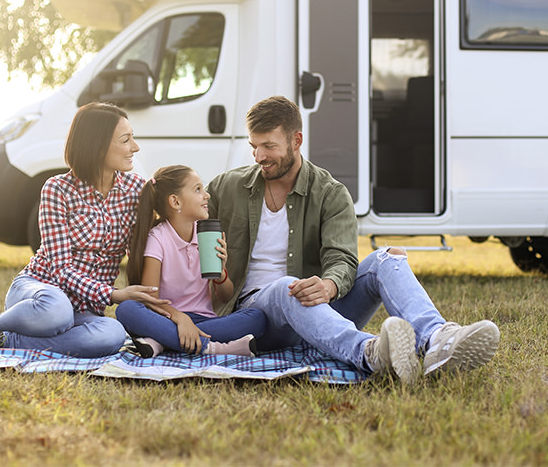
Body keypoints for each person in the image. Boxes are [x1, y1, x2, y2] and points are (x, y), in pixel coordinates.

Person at [206, 96, 500, 384]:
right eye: (254, 147)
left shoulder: (330, 193)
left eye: (269, 146)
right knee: (287, 287)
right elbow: (184, 234)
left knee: (387, 257)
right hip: (258, 317)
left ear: (296, 141)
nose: (259, 157)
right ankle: (370, 353)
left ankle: (438, 340)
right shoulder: (226, 187)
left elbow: (343, 259)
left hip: (320, 311)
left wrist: (327, 286)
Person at [0, 103, 166, 357]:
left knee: (111, 334)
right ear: (98, 145)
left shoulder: (135, 189)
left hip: (85, 309)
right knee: (56, 313)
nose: (135, 147)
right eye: (126, 140)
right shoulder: (57, 189)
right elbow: (60, 270)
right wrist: (113, 294)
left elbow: (158, 238)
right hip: (40, 292)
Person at [115, 164, 266, 357]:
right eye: (198, 190)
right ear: (175, 202)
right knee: (127, 309)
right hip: (167, 317)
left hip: (204, 320)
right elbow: (150, 299)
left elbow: (225, 296)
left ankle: (164, 341)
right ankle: (212, 348)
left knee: (257, 317)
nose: (207, 195)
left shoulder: (208, 235)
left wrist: (221, 274)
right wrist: (180, 318)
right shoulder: (158, 239)